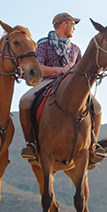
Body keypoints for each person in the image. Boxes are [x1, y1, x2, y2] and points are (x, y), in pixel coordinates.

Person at [19, 12, 82, 161]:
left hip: (70, 86)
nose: (74, 28)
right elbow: (38, 67)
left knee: (96, 106)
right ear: (64, 24)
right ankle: (30, 143)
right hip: (48, 82)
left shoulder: (76, 49)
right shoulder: (43, 44)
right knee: (24, 101)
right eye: (73, 24)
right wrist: (58, 70)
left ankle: (92, 145)